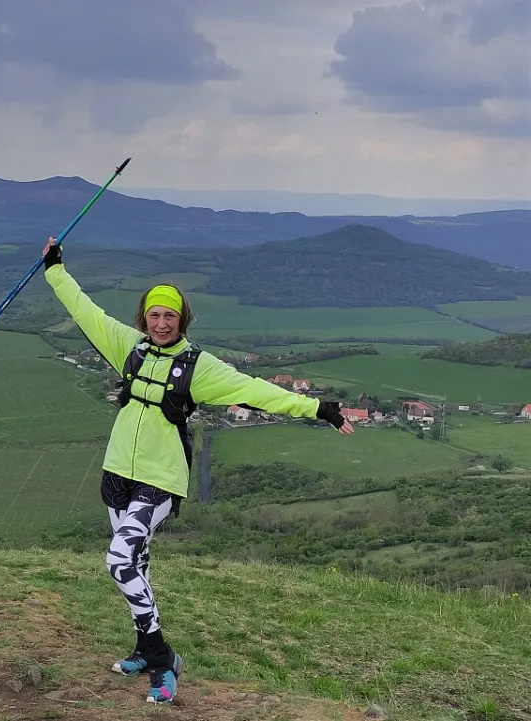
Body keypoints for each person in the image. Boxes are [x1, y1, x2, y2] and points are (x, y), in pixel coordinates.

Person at [39, 236, 353, 704]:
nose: (161, 323)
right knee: (137, 565)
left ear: (182, 320)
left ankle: (162, 659)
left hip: (160, 480)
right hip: (117, 474)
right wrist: (55, 270)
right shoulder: (129, 348)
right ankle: (144, 649)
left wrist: (317, 408)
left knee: (119, 561)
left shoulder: (198, 367)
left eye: (170, 316)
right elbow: (85, 312)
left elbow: (255, 390)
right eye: (154, 315)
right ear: (143, 318)